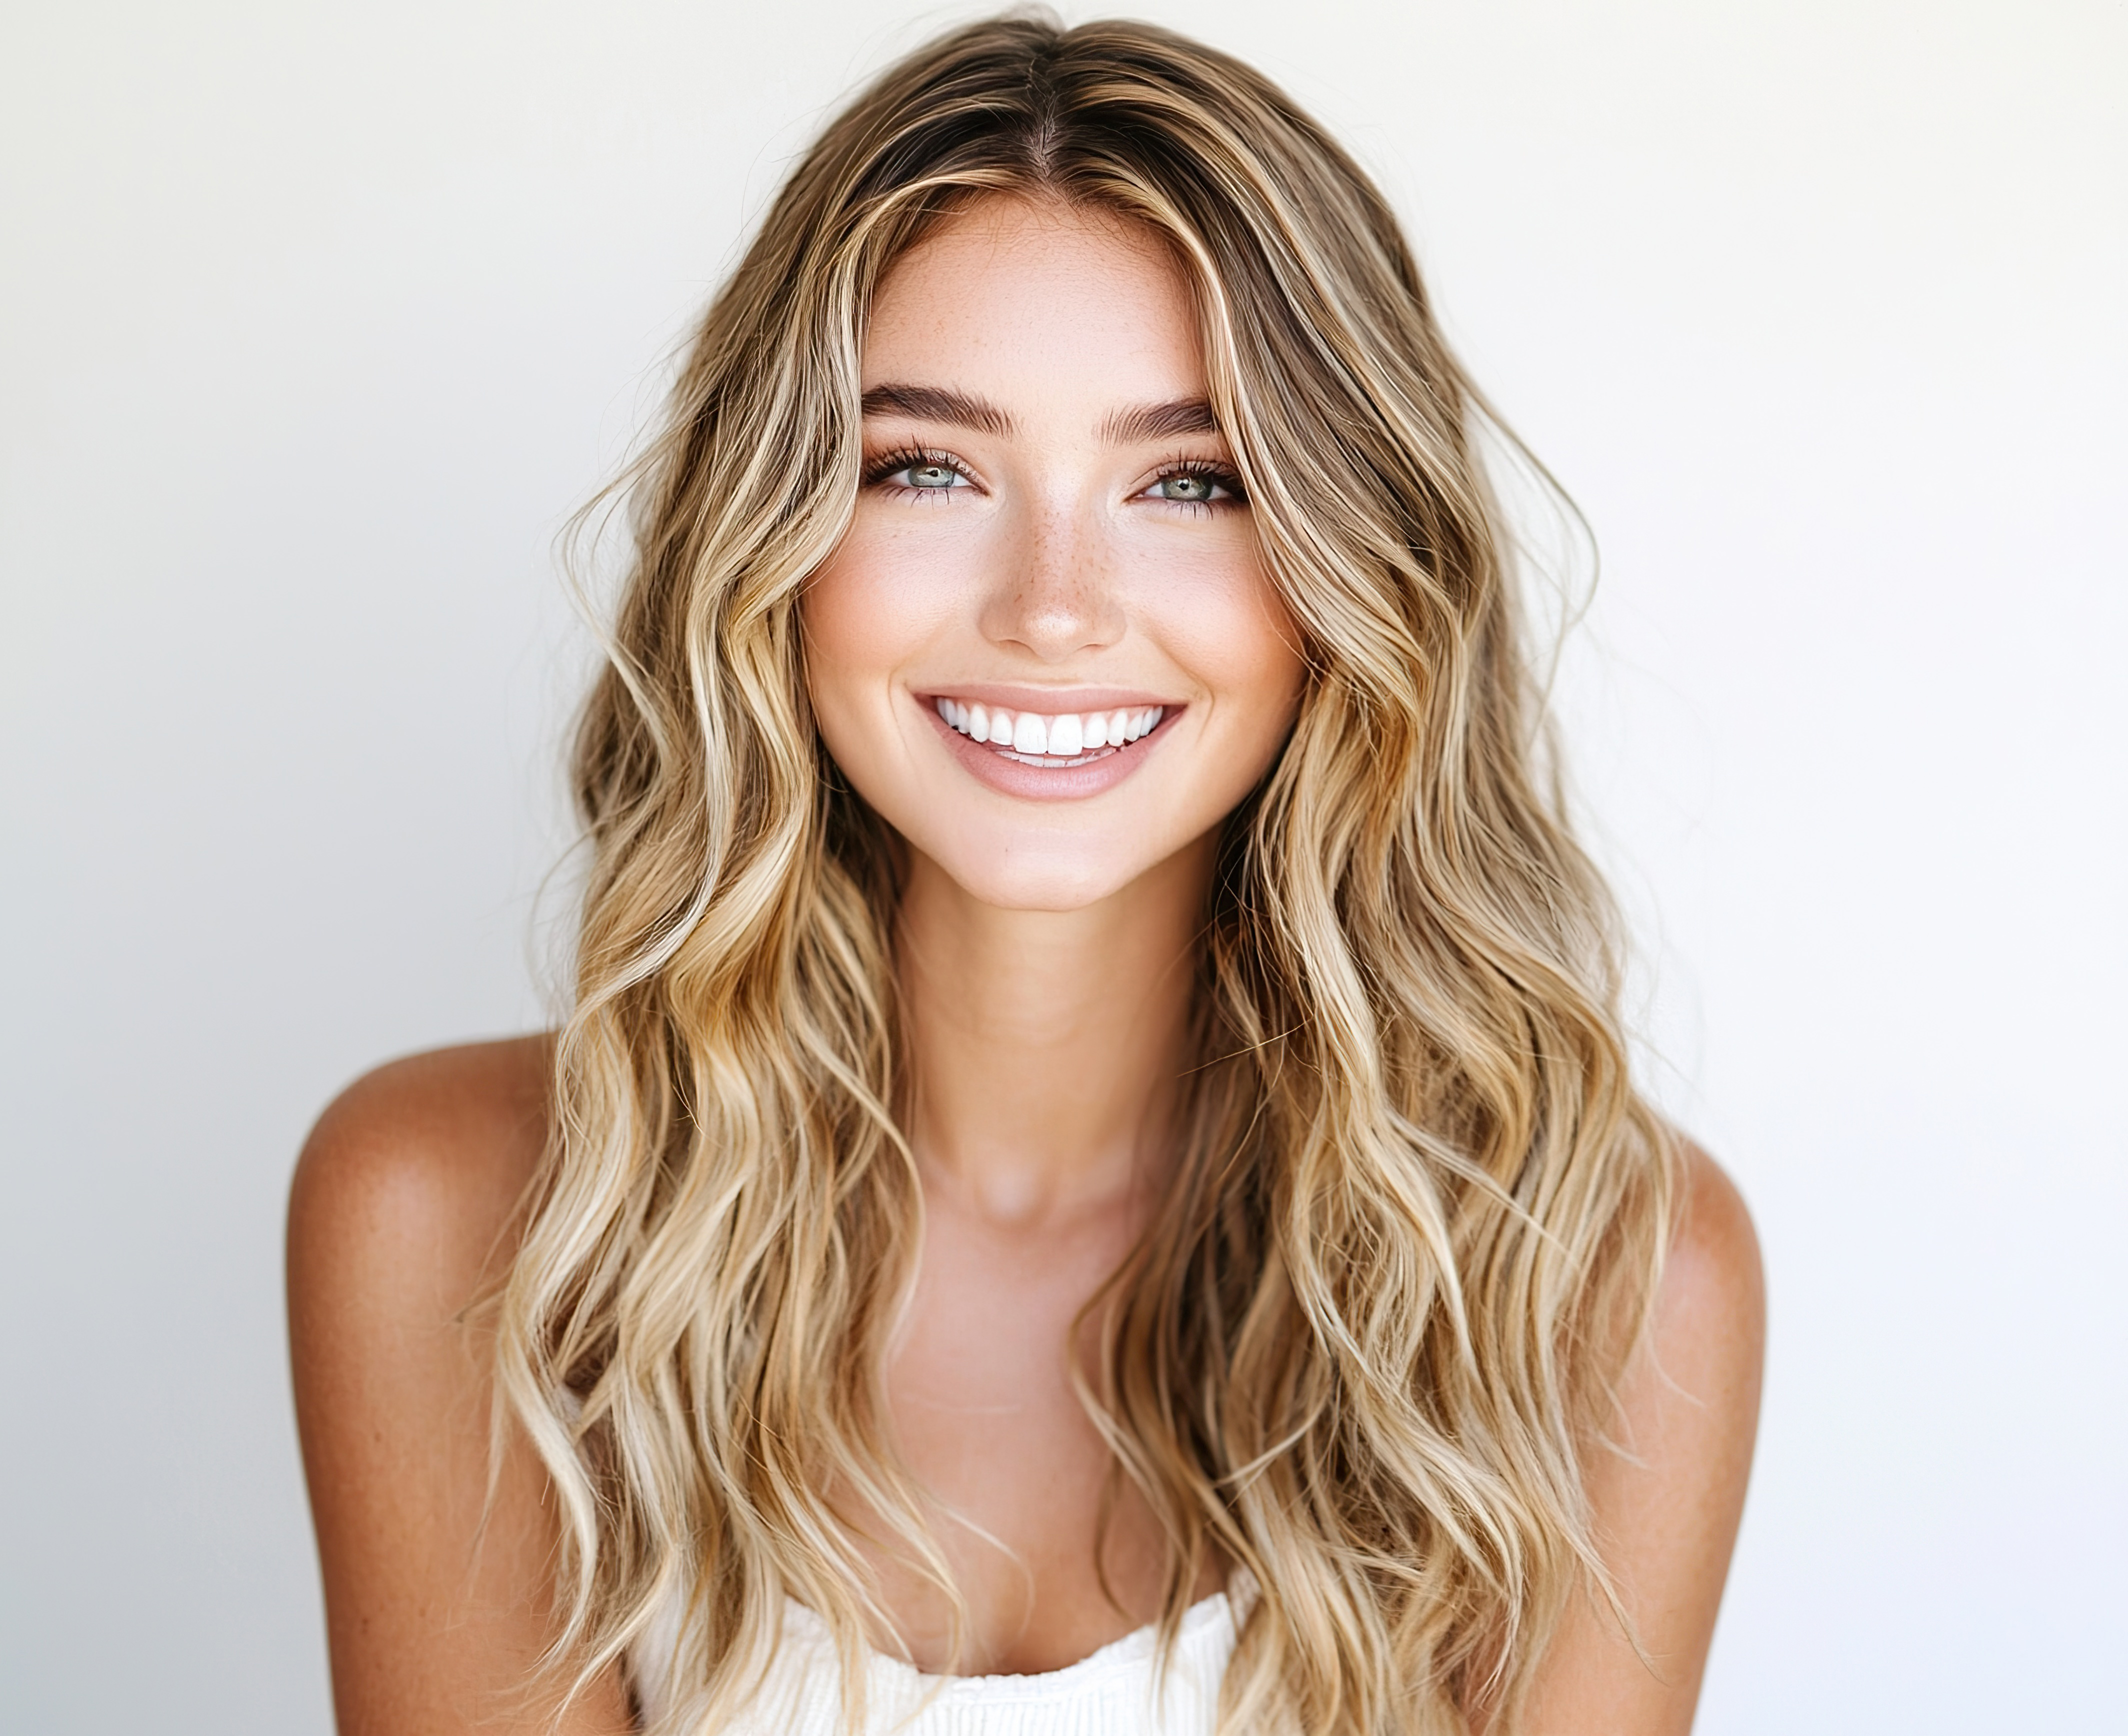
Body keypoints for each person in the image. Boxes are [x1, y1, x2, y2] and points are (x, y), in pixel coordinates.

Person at [287, 16, 1763, 1734]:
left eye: (1193, 481)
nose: (1052, 607)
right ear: (768, 547)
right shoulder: (463, 1222)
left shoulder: (1602, 1286)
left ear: (1354, 571)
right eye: (925, 466)